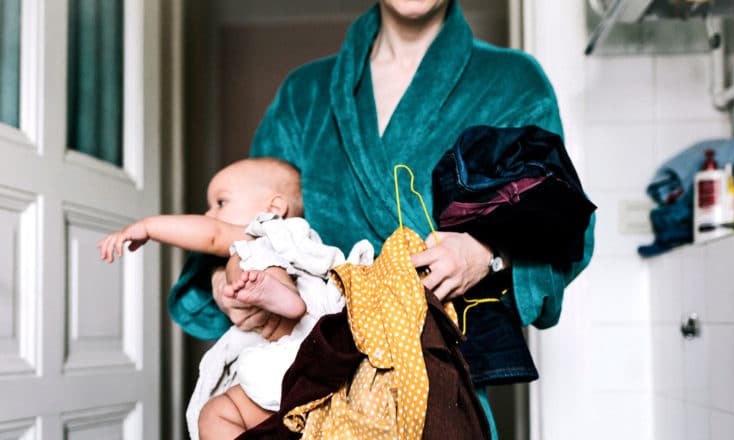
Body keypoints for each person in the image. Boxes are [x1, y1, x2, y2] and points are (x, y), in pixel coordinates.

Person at [171, 0, 596, 437]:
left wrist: (485, 251)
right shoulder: (305, 94)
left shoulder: (512, 82)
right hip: (302, 379)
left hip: (433, 382)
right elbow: (247, 222)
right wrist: (227, 282)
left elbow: (565, 226)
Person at [99, 157, 372, 439]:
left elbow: (213, 236)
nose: (209, 215)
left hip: (307, 331)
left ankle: (281, 293)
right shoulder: (304, 245)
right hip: (288, 368)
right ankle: (278, 295)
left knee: (241, 255)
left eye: (220, 202)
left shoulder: (268, 232)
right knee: (213, 413)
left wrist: (148, 227)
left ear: (275, 207)